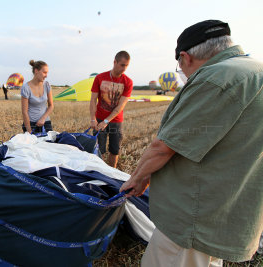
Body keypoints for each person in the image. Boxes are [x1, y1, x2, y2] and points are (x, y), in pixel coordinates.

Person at [120, 20, 263, 266]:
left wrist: (138, 178)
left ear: (184, 57)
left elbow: (164, 146)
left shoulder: (216, 77)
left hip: (192, 219)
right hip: (225, 212)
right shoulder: (254, 70)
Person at [89, 51, 133, 168]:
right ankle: (100, 172)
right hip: (99, 119)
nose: (124, 68)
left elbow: (121, 106)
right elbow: (93, 100)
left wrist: (107, 121)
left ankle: (111, 173)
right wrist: (93, 119)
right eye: (122, 65)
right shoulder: (100, 78)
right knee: (99, 150)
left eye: (127, 65)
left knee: (114, 150)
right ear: (115, 62)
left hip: (116, 121)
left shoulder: (128, 82)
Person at [21, 59, 54, 133]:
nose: (46, 75)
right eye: (44, 72)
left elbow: (51, 106)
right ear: (36, 71)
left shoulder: (47, 85)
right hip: (31, 124)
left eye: (47, 73)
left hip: (46, 122)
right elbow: (24, 112)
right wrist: (29, 131)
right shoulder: (26, 88)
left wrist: (43, 118)